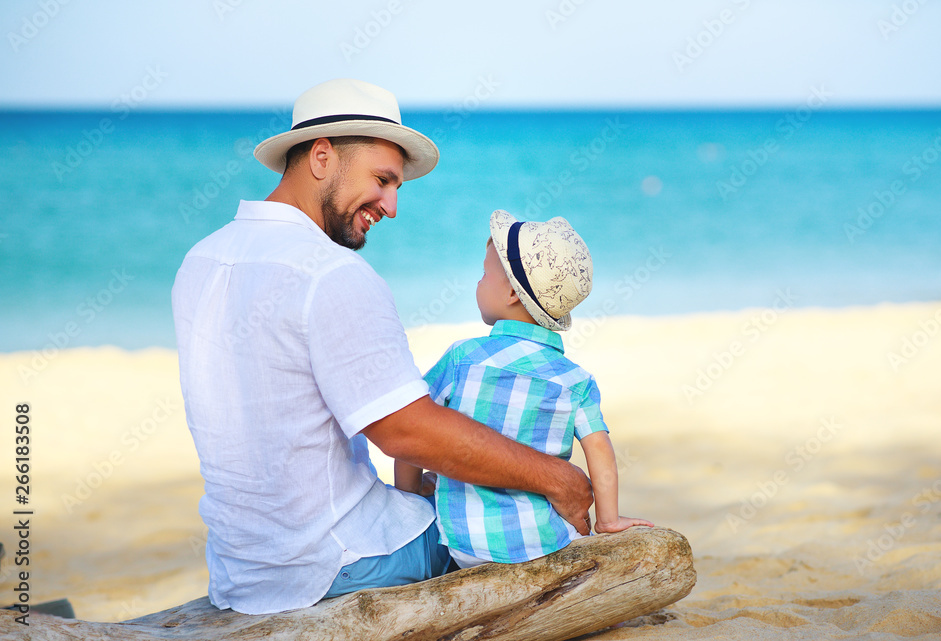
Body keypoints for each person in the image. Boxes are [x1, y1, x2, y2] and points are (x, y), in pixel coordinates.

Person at [171, 79, 593, 615]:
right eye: (382, 179)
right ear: (321, 157)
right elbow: (405, 433)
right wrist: (557, 478)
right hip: (340, 562)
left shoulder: (201, 261)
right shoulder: (330, 273)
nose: (391, 207)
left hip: (243, 572)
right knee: (514, 520)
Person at [395, 210, 652, 568]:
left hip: (464, 540)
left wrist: (409, 495)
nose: (479, 283)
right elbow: (599, 447)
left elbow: (413, 428)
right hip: (541, 544)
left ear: (513, 293)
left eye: (485, 274)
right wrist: (608, 519)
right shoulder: (576, 380)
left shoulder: (463, 358)